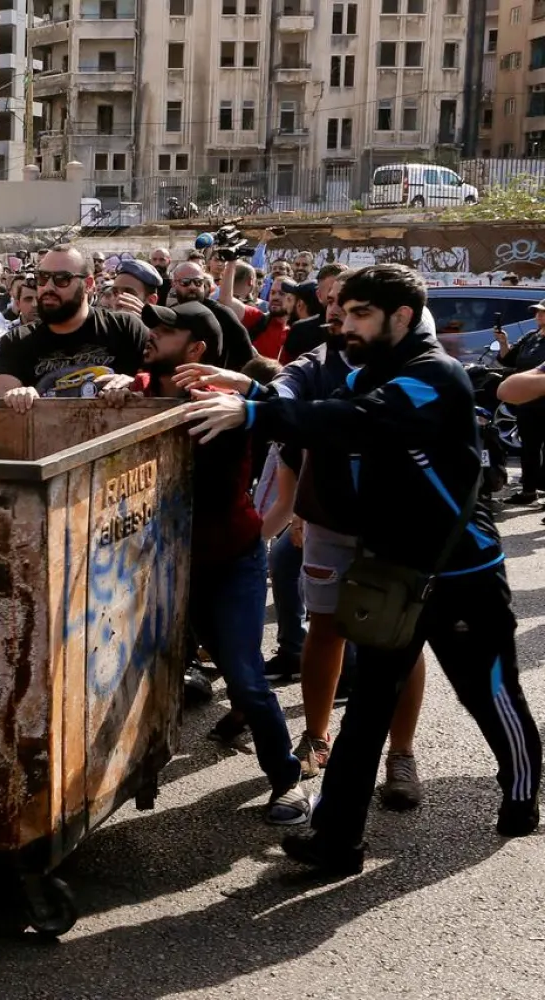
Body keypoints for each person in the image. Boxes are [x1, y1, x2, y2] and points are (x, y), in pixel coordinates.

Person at [184, 264, 542, 872]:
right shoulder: (374, 371)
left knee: (490, 693)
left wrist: (251, 414)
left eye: (358, 315)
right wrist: (252, 394)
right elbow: (321, 406)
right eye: (341, 313)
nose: (341, 324)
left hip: (460, 577)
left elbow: (348, 421)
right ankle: (337, 839)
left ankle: (521, 798)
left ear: (401, 318)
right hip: (391, 573)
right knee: (369, 705)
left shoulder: (433, 377)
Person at [101, 302, 311, 824]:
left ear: (197, 351)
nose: (152, 334)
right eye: (153, 326)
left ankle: (288, 781)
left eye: (167, 331)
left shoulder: (219, 404)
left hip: (227, 562)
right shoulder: (143, 387)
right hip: (161, 564)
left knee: (243, 675)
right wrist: (117, 387)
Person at [0, 244, 148, 407]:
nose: (48, 287)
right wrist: (16, 398)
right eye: (42, 277)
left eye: (62, 279)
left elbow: (159, 385)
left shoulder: (126, 329)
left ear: (88, 284)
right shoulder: (17, 342)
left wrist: (132, 384)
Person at [493, 300, 545, 505]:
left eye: (542, 313)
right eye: (537, 313)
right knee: (529, 448)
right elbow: (508, 361)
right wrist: (504, 343)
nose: (538, 316)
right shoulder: (531, 337)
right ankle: (528, 491)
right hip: (527, 402)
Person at [168, 261, 255, 369]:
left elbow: (247, 356)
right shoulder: (170, 314)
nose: (192, 287)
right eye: (185, 282)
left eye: (198, 282)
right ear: (174, 283)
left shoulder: (223, 314)